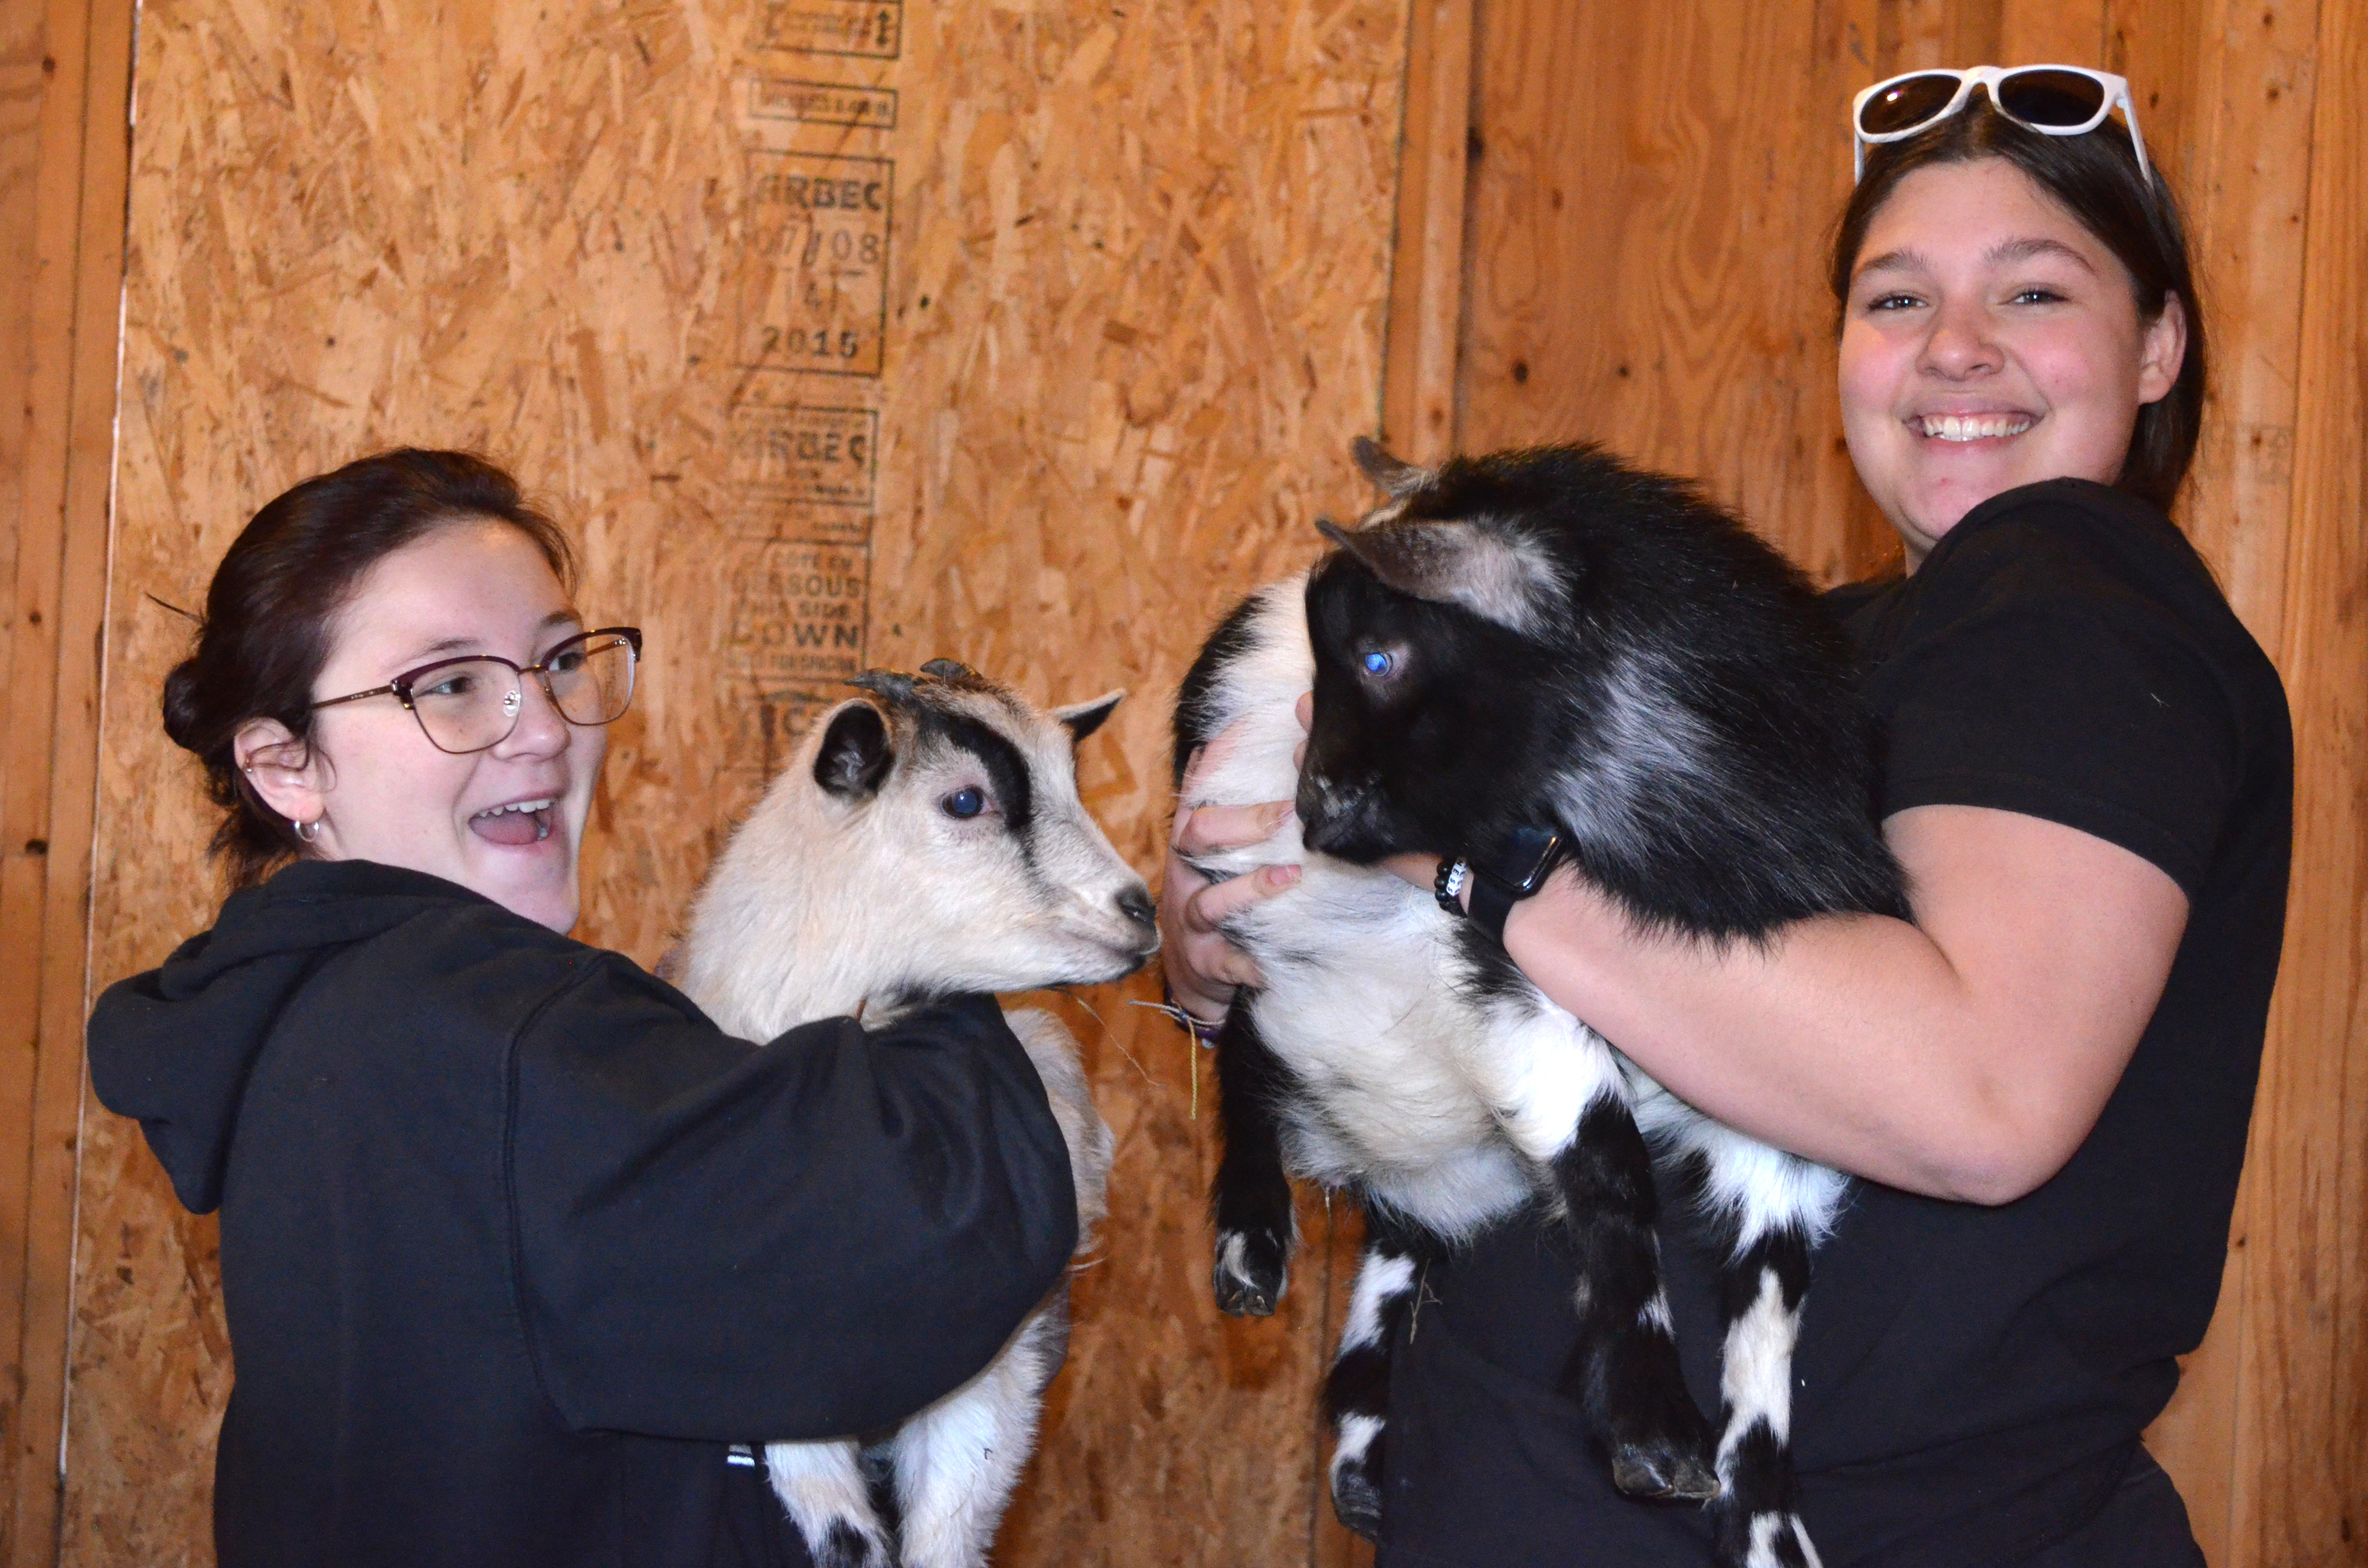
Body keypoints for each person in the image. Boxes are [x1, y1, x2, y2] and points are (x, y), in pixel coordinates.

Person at [1160, 67, 2290, 1566]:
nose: (1952, 349)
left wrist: (1461, 841)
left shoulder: (2069, 596)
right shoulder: (1828, 653)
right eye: (1893, 301)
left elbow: (1978, 1096)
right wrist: (1233, 949)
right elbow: (1566, 998)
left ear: (2156, 346)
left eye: (2029, 294)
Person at [88, 450, 1081, 1568]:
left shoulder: (323, 1019)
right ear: (286, 766)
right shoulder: (475, 1032)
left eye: (560, 661)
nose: (547, 727)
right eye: (452, 683)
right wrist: (943, 950)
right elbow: (918, 1234)